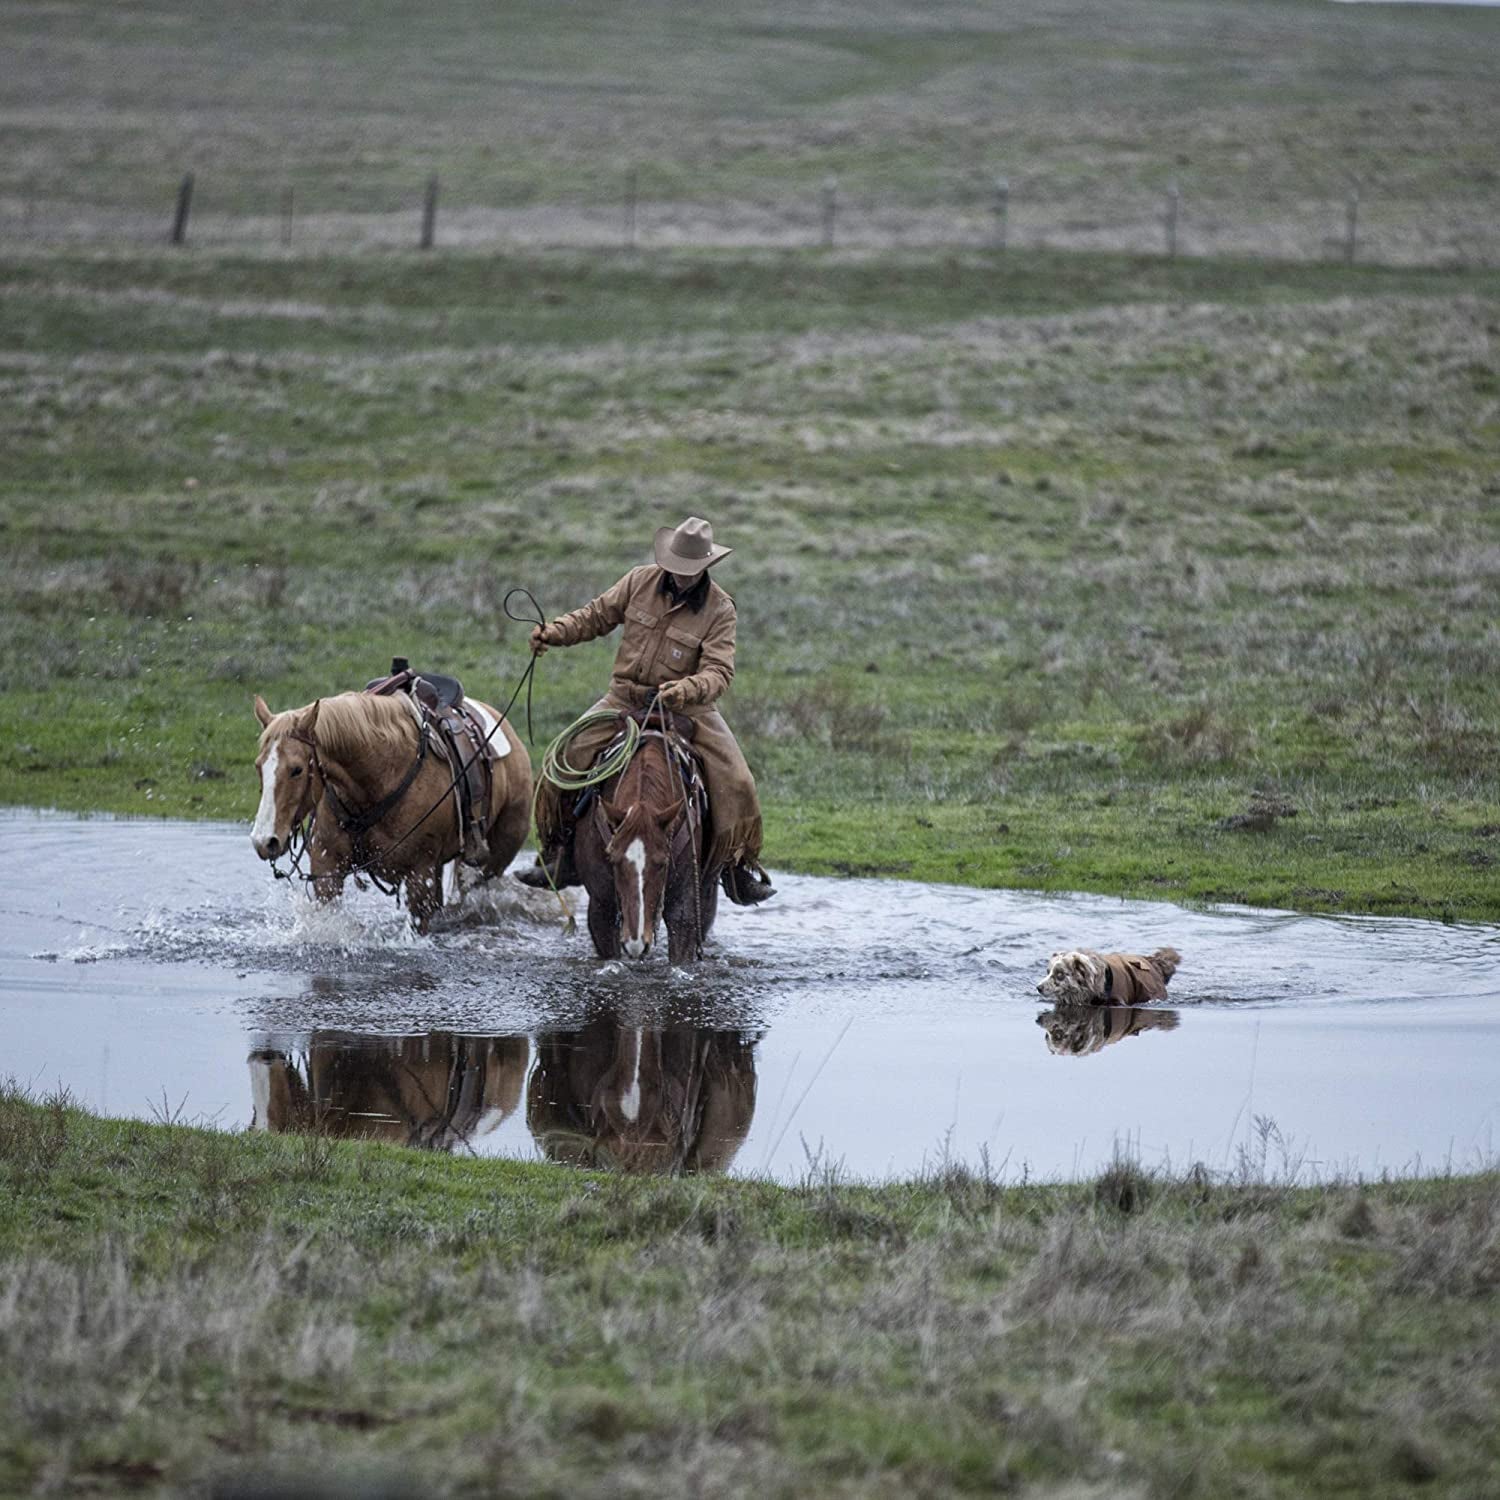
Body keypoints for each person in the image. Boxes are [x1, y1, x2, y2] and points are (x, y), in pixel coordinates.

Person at [518, 516, 774, 905]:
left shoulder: (720, 609)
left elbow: (719, 671)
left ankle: (734, 869)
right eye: (676, 567)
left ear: (704, 567)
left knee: (738, 783)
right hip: (624, 699)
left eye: (689, 571)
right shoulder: (639, 580)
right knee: (563, 762)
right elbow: (596, 616)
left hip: (690, 710)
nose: (680, 576)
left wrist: (686, 689)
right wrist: (556, 632)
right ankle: (560, 854)